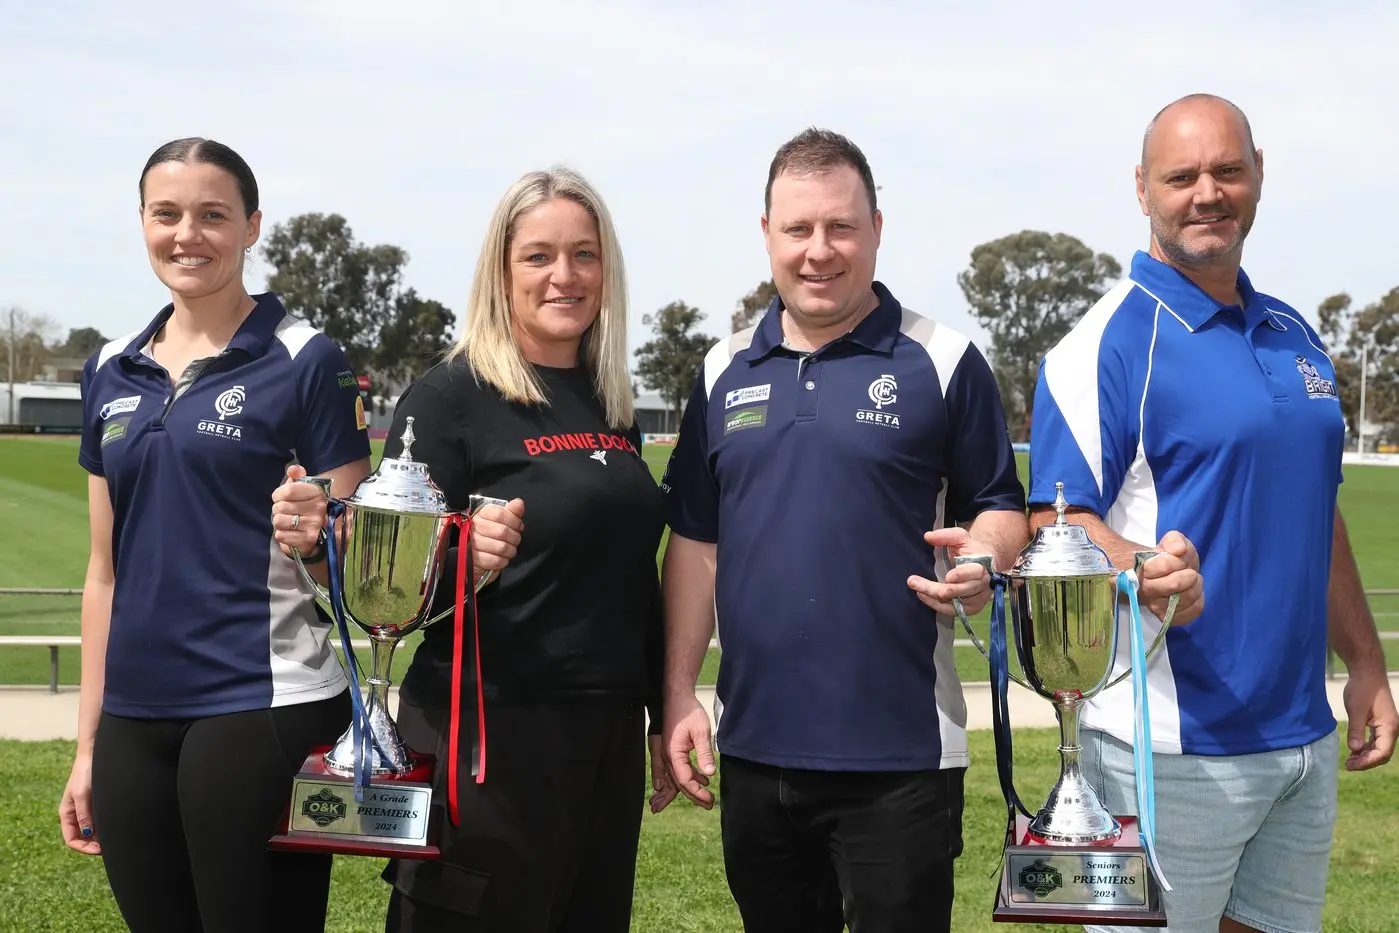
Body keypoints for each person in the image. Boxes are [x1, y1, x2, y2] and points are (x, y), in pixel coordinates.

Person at [1028, 93, 1397, 933]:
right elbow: (1058, 521)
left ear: (1258, 174)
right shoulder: (1106, 341)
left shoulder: (1293, 334)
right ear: (1141, 188)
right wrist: (1137, 565)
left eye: (1226, 170)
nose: (1207, 192)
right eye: (1181, 175)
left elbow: (1318, 513)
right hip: (1161, 754)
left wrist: (1366, 665)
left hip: (1300, 742)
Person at [273, 166, 675, 933]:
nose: (565, 275)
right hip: (484, 741)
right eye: (539, 255)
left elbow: (631, 575)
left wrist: (659, 710)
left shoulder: (611, 400)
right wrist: (466, 553)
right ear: (502, 269)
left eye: (584, 255)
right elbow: (385, 589)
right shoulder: (450, 395)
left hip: (602, 742)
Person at [659, 127, 1028, 933]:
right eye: (798, 229)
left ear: (876, 230)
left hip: (898, 758)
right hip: (755, 751)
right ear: (766, 234)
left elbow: (1001, 507)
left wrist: (983, 555)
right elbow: (694, 540)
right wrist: (679, 690)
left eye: (840, 227)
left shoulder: (942, 359)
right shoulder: (722, 370)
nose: (818, 251)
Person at [59, 137, 370, 932]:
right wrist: (89, 744)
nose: (187, 233)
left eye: (212, 215)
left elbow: (359, 558)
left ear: (251, 226)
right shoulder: (108, 369)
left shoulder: (304, 359)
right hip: (133, 714)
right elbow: (105, 571)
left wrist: (319, 527)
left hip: (261, 700)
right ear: (142, 223)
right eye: (167, 214)